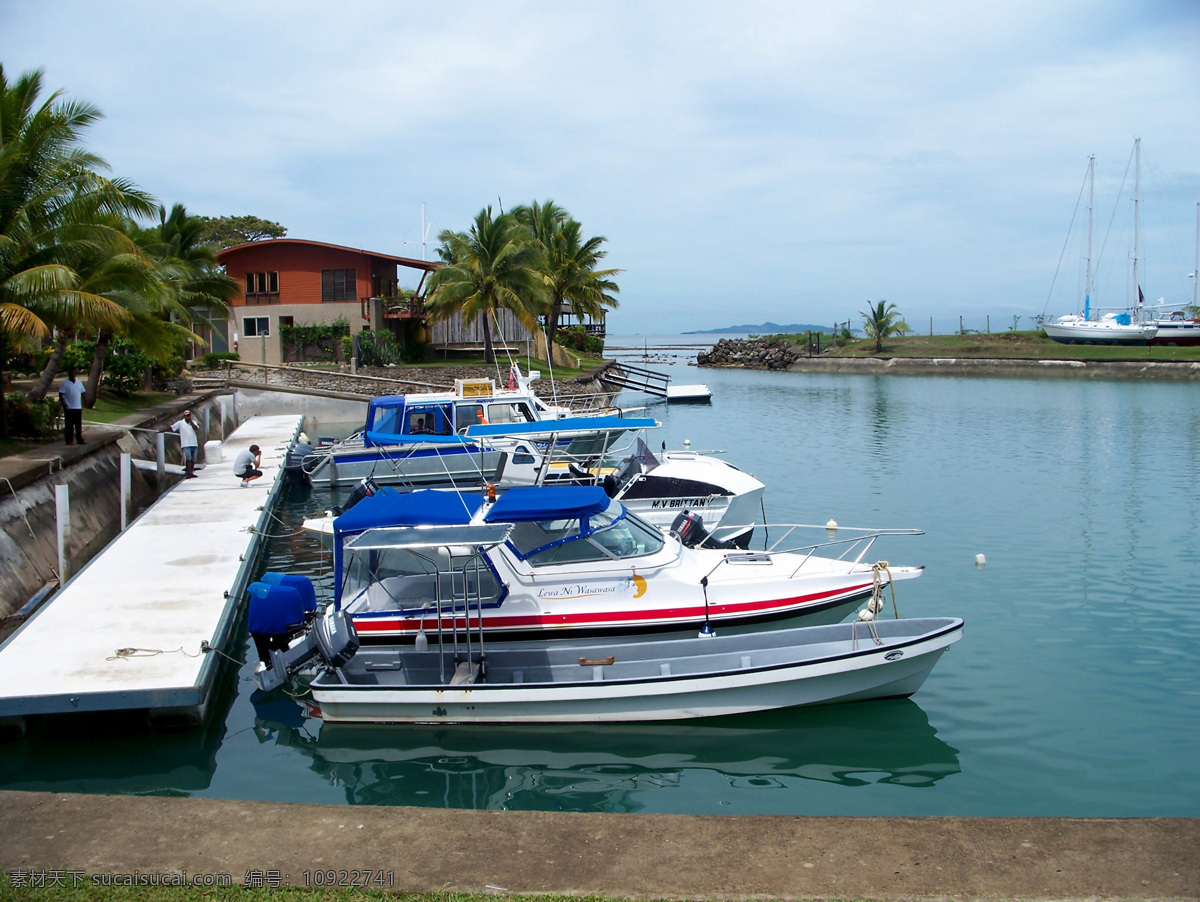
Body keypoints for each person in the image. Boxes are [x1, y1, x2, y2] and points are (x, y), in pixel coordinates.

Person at [57, 368, 85, 445]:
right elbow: (61, 394)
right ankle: (69, 440)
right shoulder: (65, 383)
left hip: (78, 407)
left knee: (78, 425)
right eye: (71, 373)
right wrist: (64, 404)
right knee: (69, 425)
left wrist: (85, 402)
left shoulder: (79, 382)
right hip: (69, 408)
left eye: (73, 373)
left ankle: (79, 439)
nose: (72, 375)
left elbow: (83, 393)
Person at [171, 409, 200, 478]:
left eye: (189, 415)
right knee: (188, 458)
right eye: (186, 416)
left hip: (194, 443)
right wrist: (161, 431)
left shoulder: (193, 422)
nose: (188, 417)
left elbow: (196, 428)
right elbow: (172, 428)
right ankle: (189, 473)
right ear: (184, 416)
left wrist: (191, 422)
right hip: (186, 444)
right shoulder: (180, 423)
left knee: (193, 459)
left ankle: (191, 471)